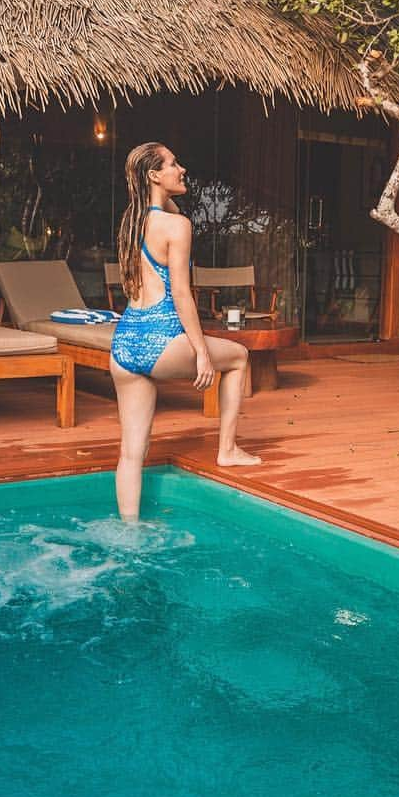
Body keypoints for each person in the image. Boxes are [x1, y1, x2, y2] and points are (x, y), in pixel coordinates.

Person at [110, 142, 261, 520]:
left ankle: (129, 531)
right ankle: (227, 450)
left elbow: (162, 205)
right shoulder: (177, 226)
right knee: (239, 357)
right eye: (173, 164)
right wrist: (202, 352)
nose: (182, 169)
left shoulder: (132, 221)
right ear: (154, 175)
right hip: (163, 339)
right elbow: (180, 293)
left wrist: (162, 194)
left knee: (131, 451)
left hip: (125, 345)